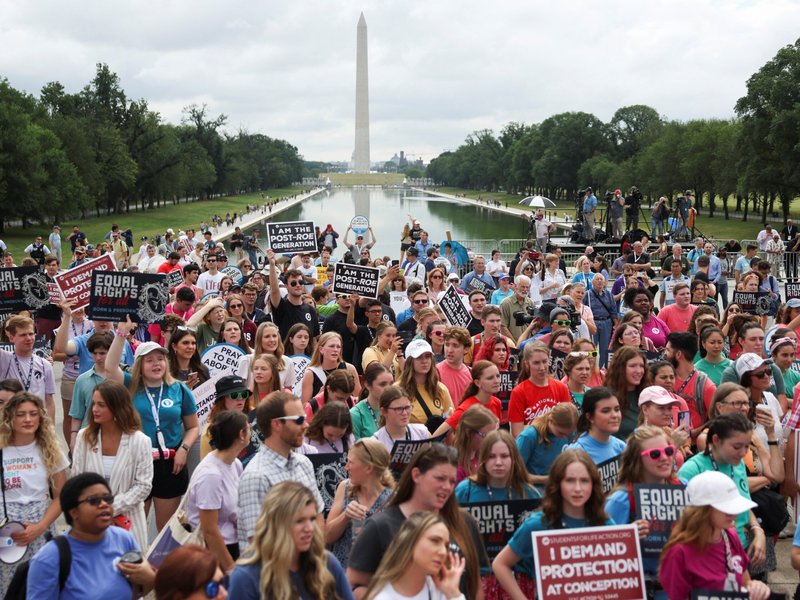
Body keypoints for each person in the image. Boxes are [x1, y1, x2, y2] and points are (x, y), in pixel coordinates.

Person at [347, 443, 485, 599]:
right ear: (416, 475)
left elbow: (476, 586)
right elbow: (352, 586)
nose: (447, 487)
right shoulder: (381, 526)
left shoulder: (464, 522)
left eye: (452, 481)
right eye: (440, 478)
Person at [106, 330, 199, 532]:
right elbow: (110, 367)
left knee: (166, 529)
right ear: (140, 364)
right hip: (137, 461)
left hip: (171, 463)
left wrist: (184, 449)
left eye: (160, 359)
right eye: (149, 360)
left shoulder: (179, 389)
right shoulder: (130, 385)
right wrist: (121, 333)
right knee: (133, 527)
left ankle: (162, 563)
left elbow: (193, 427)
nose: (157, 364)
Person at [492, 450, 613, 599]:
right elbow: (500, 564)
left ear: (593, 484)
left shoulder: (605, 523)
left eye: (584, 480)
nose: (577, 489)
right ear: (557, 483)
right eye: (569, 480)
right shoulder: (537, 524)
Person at [26, 472, 155, 599]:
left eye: (108, 498)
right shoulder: (49, 558)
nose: (104, 504)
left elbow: (136, 593)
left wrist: (150, 579)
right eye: (94, 500)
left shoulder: (124, 539)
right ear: (73, 512)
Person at [228, 481, 354, 599]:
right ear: (277, 525)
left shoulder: (327, 564)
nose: (309, 528)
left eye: (312, 519)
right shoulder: (246, 577)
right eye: (299, 521)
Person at [659, 471, 771, 600]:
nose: (735, 514)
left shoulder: (730, 536)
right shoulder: (679, 553)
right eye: (727, 509)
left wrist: (756, 588)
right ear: (703, 510)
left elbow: (745, 584)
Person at [236, 391, 324, 550]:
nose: (306, 425)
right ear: (276, 424)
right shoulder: (255, 476)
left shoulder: (304, 463)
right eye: (299, 420)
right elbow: (259, 542)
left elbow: (318, 517)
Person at [71, 381, 153, 551]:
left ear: (117, 408)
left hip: (129, 524)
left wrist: (110, 508)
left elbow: (143, 486)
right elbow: (77, 481)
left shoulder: (140, 441)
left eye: (101, 405)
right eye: (94, 403)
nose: (94, 409)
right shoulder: (84, 437)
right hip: (90, 524)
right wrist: (95, 510)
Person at [0, 392, 69, 592]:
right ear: (10, 417)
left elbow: (61, 496)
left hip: (41, 528)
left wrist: (40, 527)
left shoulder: (51, 449)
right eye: (21, 414)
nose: (28, 419)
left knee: (43, 588)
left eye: (33, 413)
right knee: (9, 590)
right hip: (6, 534)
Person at [678, 413, 767, 565]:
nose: (744, 453)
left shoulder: (737, 463)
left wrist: (757, 530)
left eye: (747, 446)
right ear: (716, 440)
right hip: (707, 555)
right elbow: (680, 520)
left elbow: (742, 502)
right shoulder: (691, 470)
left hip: (741, 548)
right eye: (737, 446)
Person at [186, 411, 249, 575]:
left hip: (235, 544)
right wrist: (230, 570)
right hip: (215, 553)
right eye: (248, 428)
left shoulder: (235, 464)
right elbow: (209, 531)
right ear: (241, 435)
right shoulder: (211, 475)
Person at [325, 438, 394, 569]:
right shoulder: (344, 487)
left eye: (350, 462)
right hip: (341, 576)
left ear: (368, 468)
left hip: (375, 578)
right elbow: (327, 537)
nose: (346, 467)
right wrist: (345, 516)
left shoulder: (392, 499)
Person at [364, 512, 466, 600]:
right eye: (435, 541)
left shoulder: (440, 589)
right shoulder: (382, 597)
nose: (443, 552)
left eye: (446, 545)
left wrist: (454, 593)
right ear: (410, 541)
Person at [0, 315, 57, 422]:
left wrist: (50, 429)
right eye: (23, 335)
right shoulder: (5, 359)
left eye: (31, 334)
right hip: (10, 422)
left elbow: (49, 402)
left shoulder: (45, 365)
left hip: (37, 423)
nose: (28, 338)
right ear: (11, 337)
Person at [433, 361, 502, 438]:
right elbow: (436, 436)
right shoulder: (466, 408)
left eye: (498, 376)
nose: (496, 381)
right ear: (477, 383)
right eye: (490, 378)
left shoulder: (497, 403)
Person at [565, 386, 626, 465]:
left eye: (617, 409)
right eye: (605, 411)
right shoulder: (576, 452)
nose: (614, 415)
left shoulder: (621, 447)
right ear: (589, 417)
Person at [199, 374, 254, 458]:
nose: (240, 398)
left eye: (244, 394)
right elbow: (206, 463)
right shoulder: (210, 431)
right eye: (234, 395)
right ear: (222, 400)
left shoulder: (255, 416)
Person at [603, 346, 650, 439]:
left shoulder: (648, 396)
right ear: (620, 368)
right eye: (632, 366)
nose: (639, 371)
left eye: (641, 366)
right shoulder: (606, 397)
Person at [351, 363, 394, 440]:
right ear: (367, 385)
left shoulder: (396, 409)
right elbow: (353, 449)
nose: (388, 389)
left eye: (391, 384)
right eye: (382, 384)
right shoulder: (355, 414)